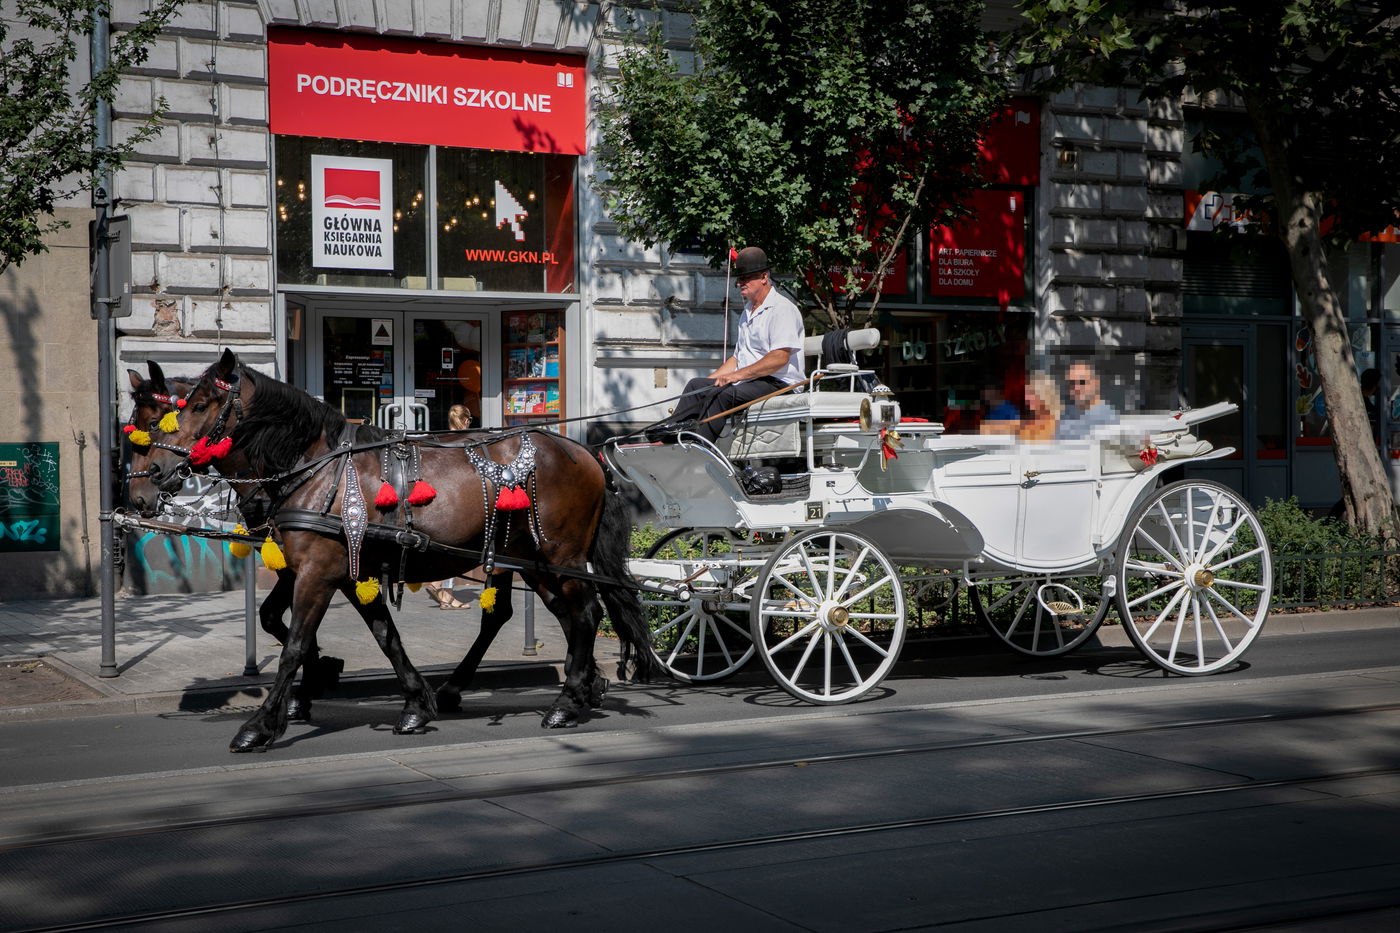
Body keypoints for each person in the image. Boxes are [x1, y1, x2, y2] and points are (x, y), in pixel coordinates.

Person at [646, 246, 805, 443]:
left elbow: (779, 357)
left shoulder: (782, 309)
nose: (740, 283)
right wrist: (708, 384)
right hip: (752, 381)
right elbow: (737, 358)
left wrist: (734, 376)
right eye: (739, 279)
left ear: (764, 277)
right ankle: (669, 440)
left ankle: (700, 447)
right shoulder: (748, 311)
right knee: (697, 385)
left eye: (746, 278)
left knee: (723, 394)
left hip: (780, 383)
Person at [426, 404, 474, 610]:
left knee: (451, 550)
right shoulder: (466, 441)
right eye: (469, 420)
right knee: (459, 548)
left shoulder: (443, 438)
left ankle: (447, 598)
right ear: (465, 421)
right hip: (459, 498)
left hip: (443, 497)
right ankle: (439, 586)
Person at [1055, 359, 1117, 440]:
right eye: (1072, 383)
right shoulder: (1065, 413)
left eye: (1082, 382)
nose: (1076, 388)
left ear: (1096, 383)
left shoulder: (1108, 419)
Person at [1019, 372, 1062, 442]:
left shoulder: (1056, 424)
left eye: (1033, 393)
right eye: (1027, 393)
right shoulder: (1026, 425)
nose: (1028, 398)